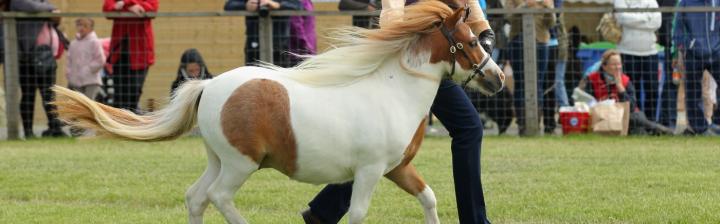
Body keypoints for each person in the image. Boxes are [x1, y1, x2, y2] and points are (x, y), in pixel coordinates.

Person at [300, 0, 497, 223]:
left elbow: (469, 7)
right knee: (466, 129)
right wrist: (413, 39)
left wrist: (484, 31)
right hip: (416, 60)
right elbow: (392, 14)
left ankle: (323, 212)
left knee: (386, 143)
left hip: (439, 57)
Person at [577, 49, 673, 135]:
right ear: (604, 66)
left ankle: (656, 130)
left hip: (625, 117)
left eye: (619, 64)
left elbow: (631, 107)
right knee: (637, 123)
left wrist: (620, 87)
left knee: (637, 122)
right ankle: (657, 129)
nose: (618, 67)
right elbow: (585, 103)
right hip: (602, 116)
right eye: (614, 64)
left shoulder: (625, 80)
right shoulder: (592, 79)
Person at [11, 0, 66, 138]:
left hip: (47, 56)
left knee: (49, 94)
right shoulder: (19, 2)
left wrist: (50, 11)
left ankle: (55, 129)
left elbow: (50, 14)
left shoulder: (42, 2)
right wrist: (51, 9)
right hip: (27, 56)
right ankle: (28, 131)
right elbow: (28, 6)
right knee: (28, 95)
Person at [506, 0, 556, 134]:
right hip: (517, 42)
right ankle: (522, 124)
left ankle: (535, 124)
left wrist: (548, 7)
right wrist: (526, 5)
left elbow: (551, 23)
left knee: (538, 83)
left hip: (541, 43)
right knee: (520, 83)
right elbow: (509, 17)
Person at [673, 0, 720, 135]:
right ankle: (700, 128)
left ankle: (717, 123)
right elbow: (678, 28)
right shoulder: (685, 3)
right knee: (692, 92)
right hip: (694, 53)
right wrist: (683, 48)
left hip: (718, 53)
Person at [102, 0, 158, 113]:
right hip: (120, 52)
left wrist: (124, 4)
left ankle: (130, 124)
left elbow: (152, 8)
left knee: (134, 91)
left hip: (141, 52)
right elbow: (107, 8)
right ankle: (118, 127)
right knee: (119, 95)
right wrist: (131, 6)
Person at [614, 0, 663, 126]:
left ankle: (651, 123)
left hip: (650, 53)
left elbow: (657, 23)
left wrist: (633, 20)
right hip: (627, 52)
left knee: (652, 90)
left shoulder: (652, 1)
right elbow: (622, 18)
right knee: (631, 91)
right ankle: (634, 123)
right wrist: (646, 17)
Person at [224, 0, 303, 67]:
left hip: (280, 44)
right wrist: (245, 5)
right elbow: (229, 5)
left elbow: (298, 6)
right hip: (254, 44)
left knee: (280, 78)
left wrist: (278, 5)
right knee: (253, 77)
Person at [66, 18, 105, 101]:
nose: (82, 28)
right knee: (78, 105)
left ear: (91, 28)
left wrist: (88, 70)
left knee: (88, 104)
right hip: (76, 81)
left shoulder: (94, 42)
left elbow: (100, 60)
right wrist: (69, 73)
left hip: (91, 81)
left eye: (85, 26)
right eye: (79, 25)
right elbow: (69, 60)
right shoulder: (73, 43)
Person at [288, 0, 317, 66]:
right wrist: (305, 46)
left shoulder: (307, 1)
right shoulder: (300, 2)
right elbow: (295, 26)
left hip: (307, 51)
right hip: (299, 53)